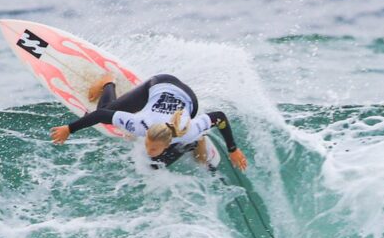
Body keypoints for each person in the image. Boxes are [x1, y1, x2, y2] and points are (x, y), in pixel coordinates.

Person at [49, 73, 249, 171]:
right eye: (148, 145)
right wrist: (70, 128)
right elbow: (100, 115)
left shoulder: (187, 129)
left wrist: (233, 149)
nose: (147, 148)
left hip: (188, 98)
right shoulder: (140, 123)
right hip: (158, 85)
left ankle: (197, 141)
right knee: (106, 110)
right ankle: (108, 82)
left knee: (156, 162)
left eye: (152, 148)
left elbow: (220, 117)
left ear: (166, 142)